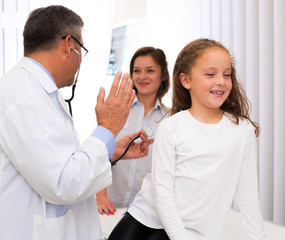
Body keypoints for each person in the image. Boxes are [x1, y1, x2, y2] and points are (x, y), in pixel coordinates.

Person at [0, 5, 153, 240]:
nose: (81, 61)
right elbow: (64, 183)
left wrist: (109, 150)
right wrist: (107, 129)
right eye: (83, 49)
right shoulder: (23, 97)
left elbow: (54, 162)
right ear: (69, 45)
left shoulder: (34, 93)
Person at [108, 38, 266, 240]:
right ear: (186, 80)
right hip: (144, 214)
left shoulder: (241, 130)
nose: (220, 81)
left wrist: (259, 237)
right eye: (210, 74)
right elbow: (161, 189)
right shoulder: (172, 127)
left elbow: (248, 193)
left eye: (227, 75)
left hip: (189, 229)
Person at [96, 47, 170, 215]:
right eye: (137, 71)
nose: (142, 77)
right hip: (110, 207)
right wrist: (100, 197)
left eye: (150, 70)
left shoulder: (171, 119)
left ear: (163, 75)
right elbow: (99, 153)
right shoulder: (116, 111)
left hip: (147, 212)